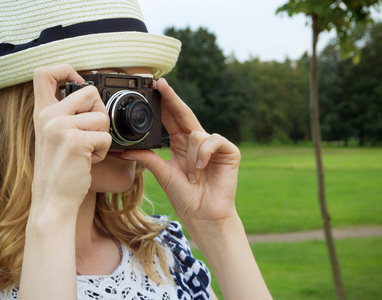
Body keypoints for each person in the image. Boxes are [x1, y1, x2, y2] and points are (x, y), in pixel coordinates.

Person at [0, 0, 272, 299]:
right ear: (29, 106)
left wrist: (217, 226)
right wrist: (54, 212)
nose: (135, 114)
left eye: (142, 90)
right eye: (111, 90)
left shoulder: (163, 248)